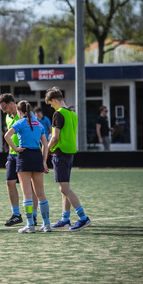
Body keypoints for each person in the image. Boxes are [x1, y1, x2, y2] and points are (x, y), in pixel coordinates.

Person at [45, 87, 91, 232]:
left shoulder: (58, 114)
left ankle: (83, 218)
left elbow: (55, 137)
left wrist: (46, 148)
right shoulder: (72, 113)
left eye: (50, 104)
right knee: (64, 189)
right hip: (70, 154)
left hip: (60, 154)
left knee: (65, 189)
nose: (51, 107)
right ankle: (65, 220)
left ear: (54, 100)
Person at [4, 100, 50, 234]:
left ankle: (30, 225)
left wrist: (15, 148)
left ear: (19, 111)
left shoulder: (19, 123)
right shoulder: (39, 124)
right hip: (37, 157)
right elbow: (45, 145)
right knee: (41, 194)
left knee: (27, 194)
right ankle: (46, 225)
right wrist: (44, 161)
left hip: (24, 157)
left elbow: (7, 136)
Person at [0, 93, 39, 227]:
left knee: (31, 187)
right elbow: (11, 137)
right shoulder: (7, 117)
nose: (3, 111)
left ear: (11, 104)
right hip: (12, 154)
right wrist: (10, 154)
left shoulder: (24, 115)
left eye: (4, 108)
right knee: (10, 182)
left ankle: (33, 215)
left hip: (25, 153)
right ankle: (16, 215)